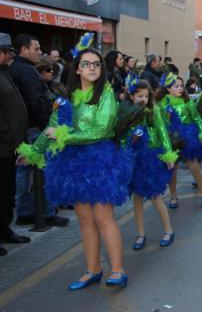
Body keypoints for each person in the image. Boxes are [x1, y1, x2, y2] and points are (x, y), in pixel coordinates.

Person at [16, 37, 131, 290]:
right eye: (87, 64)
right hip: (74, 163)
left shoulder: (107, 96)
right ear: (77, 68)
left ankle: (118, 270)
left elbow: (100, 130)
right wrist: (34, 151)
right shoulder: (66, 98)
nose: (92, 68)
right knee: (84, 217)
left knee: (103, 216)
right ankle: (92, 269)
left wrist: (65, 137)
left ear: (101, 70)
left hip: (100, 161)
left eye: (97, 65)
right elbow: (54, 126)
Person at [9, 34, 68, 227]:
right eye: (36, 48)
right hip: (36, 129)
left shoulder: (15, 69)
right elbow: (36, 102)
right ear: (23, 50)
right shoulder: (26, 72)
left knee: (24, 171)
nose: (40, 52)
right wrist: (47, 126)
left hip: (23, 129)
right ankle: (47, 213)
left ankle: (25, 211)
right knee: (43, 170)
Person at [116, 76, 178, 251]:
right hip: (134, 158)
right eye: (139, 96)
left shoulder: (153, 110)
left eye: (145, 96)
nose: (143, 99)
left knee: (155, 196)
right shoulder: (126, 112)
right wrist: (129, 144)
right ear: (131, 97)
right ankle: (140, 234)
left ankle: (168, 229)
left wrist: (168, 154)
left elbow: (162, 132)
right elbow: (121, 136)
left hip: (150, 157)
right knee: (137, 198)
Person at [155, 73, 202, 210]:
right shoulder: (162, 104)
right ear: (168, 89)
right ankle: (173, 196)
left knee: (193, 165)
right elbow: (160, 123)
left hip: (187, 137)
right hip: (170, 138)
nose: (180, 89)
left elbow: (196, 118)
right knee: (172, 169)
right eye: (176, 86)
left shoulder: (187, 101)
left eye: (181, 86)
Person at [0, 33, 30, 255]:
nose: (10, 54)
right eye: (6, 51)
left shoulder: (5, 73)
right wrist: (8, 135)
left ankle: (4, 230)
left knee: (6, 192)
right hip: (3, 145)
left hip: (10, 147)